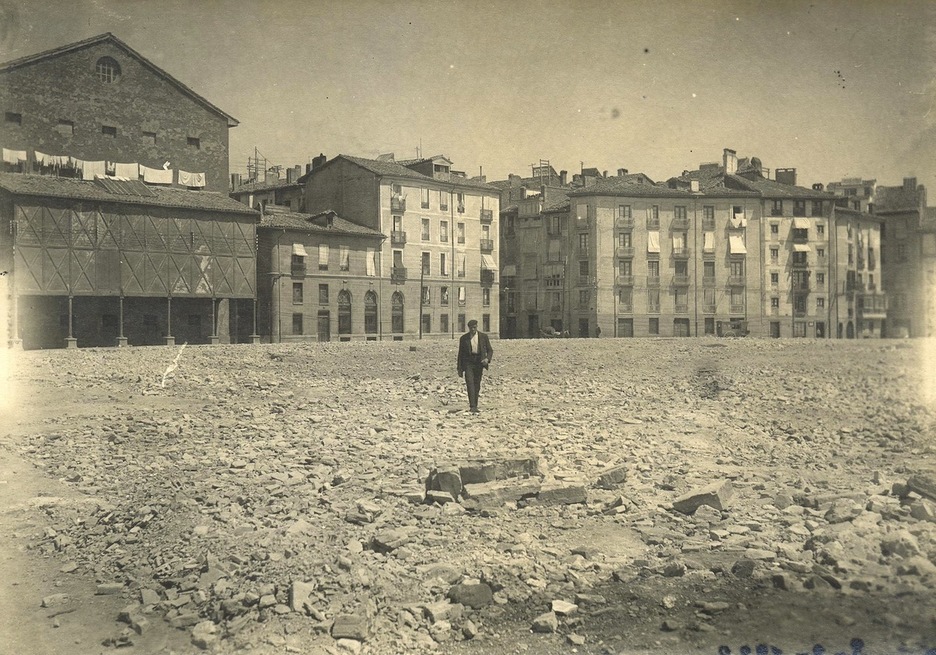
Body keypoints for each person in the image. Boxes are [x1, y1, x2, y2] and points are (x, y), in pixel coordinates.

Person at [457, 319, 493, 413]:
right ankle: (472, 406)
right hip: (468, 363)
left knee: (477, 384)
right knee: (470, 383)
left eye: (475, 327)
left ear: (477, 327)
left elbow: (490, 350)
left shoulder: (483, 337)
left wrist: (487, 359)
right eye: (471, 328)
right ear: (468, 328)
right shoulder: (463, 338)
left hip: (479, 362)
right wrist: (459, 369)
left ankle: (475, 405)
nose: (473, 329)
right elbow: (460, 354)